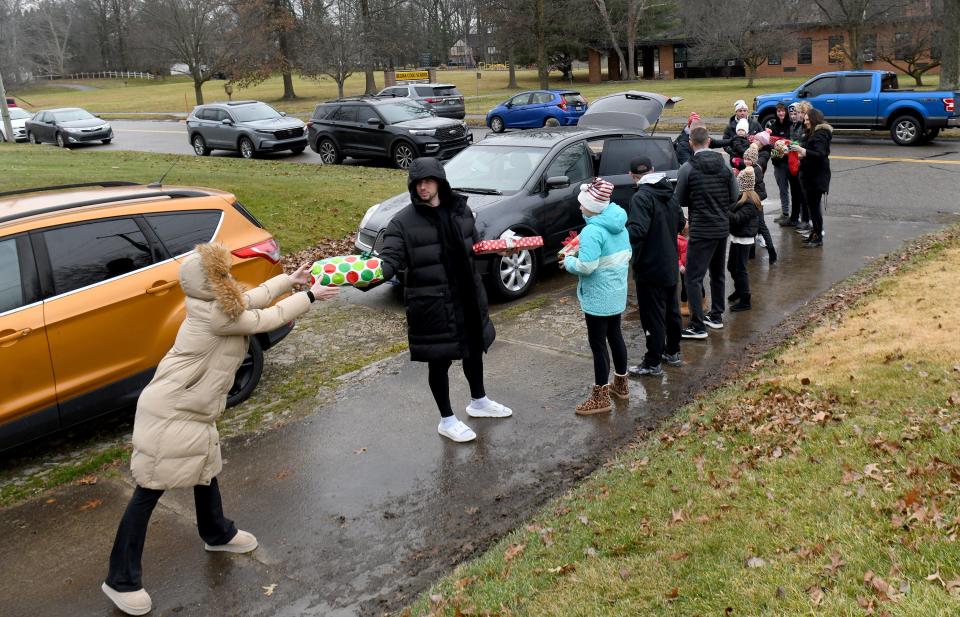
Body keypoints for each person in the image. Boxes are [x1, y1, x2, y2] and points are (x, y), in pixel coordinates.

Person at [102, 243, 338, 616]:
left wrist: (285, 280)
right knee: (148, 491)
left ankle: (217, 534)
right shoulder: (216, 315)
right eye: (221, 274)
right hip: (171, 411)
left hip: (191, 409)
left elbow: (251, 299)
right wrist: (309, 295)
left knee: (204, 469)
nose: (228, 278)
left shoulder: (219, 304)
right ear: (209, 282)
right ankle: (120, 580)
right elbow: (264, 319)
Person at [377, 157, 513, 442]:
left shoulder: (461, 211)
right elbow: (389, 260)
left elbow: (472, 247)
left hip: (467, 294)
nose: (422, 187)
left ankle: (479, 401)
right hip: (432, 303)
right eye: (417, 183)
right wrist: (365, 273)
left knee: (474, 348)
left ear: (440, 182)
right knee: (439, 360)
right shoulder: (402, 222)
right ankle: (447, 419)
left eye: (427, 181)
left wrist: (496, 251)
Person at [560, 178, 632, 414]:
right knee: (615, 336)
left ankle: (600, 397)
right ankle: (621, 384)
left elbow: (587, 266)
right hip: (617, 292)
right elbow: (623, 254)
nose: (580, 208)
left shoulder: (592, 230)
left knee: (598, 344)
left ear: (592, 206)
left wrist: (569, 261)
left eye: (582, 204)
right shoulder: (619, 224)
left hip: (598, 297)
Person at [674, 126, 739, 339]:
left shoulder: (687, 167)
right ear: (709, 141)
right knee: (717, 273)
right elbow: (734, 196)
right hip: (721, 227)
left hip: (701, 229)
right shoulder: (725, 165)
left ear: (692, 143)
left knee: (693, 277)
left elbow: (680, 200)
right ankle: (716, 316)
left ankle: (697, 325)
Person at [625, 157, 685, 377]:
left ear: (632, 175)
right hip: (669, 262)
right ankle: (673, 352)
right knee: (671, 311)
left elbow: (637, 231)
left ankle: (652, 362)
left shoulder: (641, 197)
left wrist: (619, 234)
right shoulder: (668, 191)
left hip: (649, 267)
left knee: (653, 316)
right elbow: (680, 223)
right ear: (653, 170)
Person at [792, 107, 832, 248]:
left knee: (814, 208)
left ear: (814, 120)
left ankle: (818, 236)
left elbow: (820, 155)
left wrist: (802, 151)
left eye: (808, 119)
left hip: (817, 177)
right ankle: (814, 233)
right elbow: (812, 153)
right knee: (812, 207)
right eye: (805, 119)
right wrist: (801, 155)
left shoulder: (820, 134)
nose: (805, 121)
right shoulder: (812, 132)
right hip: (810, 175)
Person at [727, 166, 763, 311]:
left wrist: (723, 209)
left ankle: (745, 300)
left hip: (744, 239)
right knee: (731, 266)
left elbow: (737, 219)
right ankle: (739, 290)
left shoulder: (749, 201)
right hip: (737, 237)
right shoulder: (742, 197)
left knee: (741, 269)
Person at [742, 144, 777, 265]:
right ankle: (751, 252)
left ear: (753, 160)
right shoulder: (754, 167)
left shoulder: (752, 171)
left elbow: (746, 187)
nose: (746, 161)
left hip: (755, 202)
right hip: (753, 201)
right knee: (753, 226)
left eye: (749, 159)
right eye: (745, 158)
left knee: (761, 226)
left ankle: (772, 252)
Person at [768, 102, 792, 223]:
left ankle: (797, 215)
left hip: (791, 162)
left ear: (786, 112)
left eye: (783, 111)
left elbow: (793, 142)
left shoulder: (791, 125)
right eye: (779, 111)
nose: (781, 113)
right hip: (778, 163)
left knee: (795, 189)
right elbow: (770, 145)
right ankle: (785, 212)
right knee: (782, 189)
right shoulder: (773, 126)